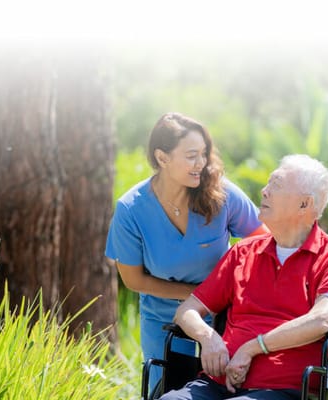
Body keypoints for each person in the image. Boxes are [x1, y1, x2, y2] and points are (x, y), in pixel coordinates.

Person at [160, 154, 328, 400]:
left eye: (276, 185)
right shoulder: (243, 252)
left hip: (284, 390)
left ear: (304, 205)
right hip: (216, 384)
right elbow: (187, 310)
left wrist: (252, 348)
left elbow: (321, 320)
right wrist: (208, 338)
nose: (264, 191)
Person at [105, 112, 267, 392]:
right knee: (168, 389)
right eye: (192, 155)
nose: (201, 164)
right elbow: (134, 280)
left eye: (204, 154)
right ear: (162, 157)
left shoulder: (222, 194)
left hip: (224, 315)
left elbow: (266, 240)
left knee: (221, 390)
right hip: (163, 319)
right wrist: (196, 297)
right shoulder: (131, 209)